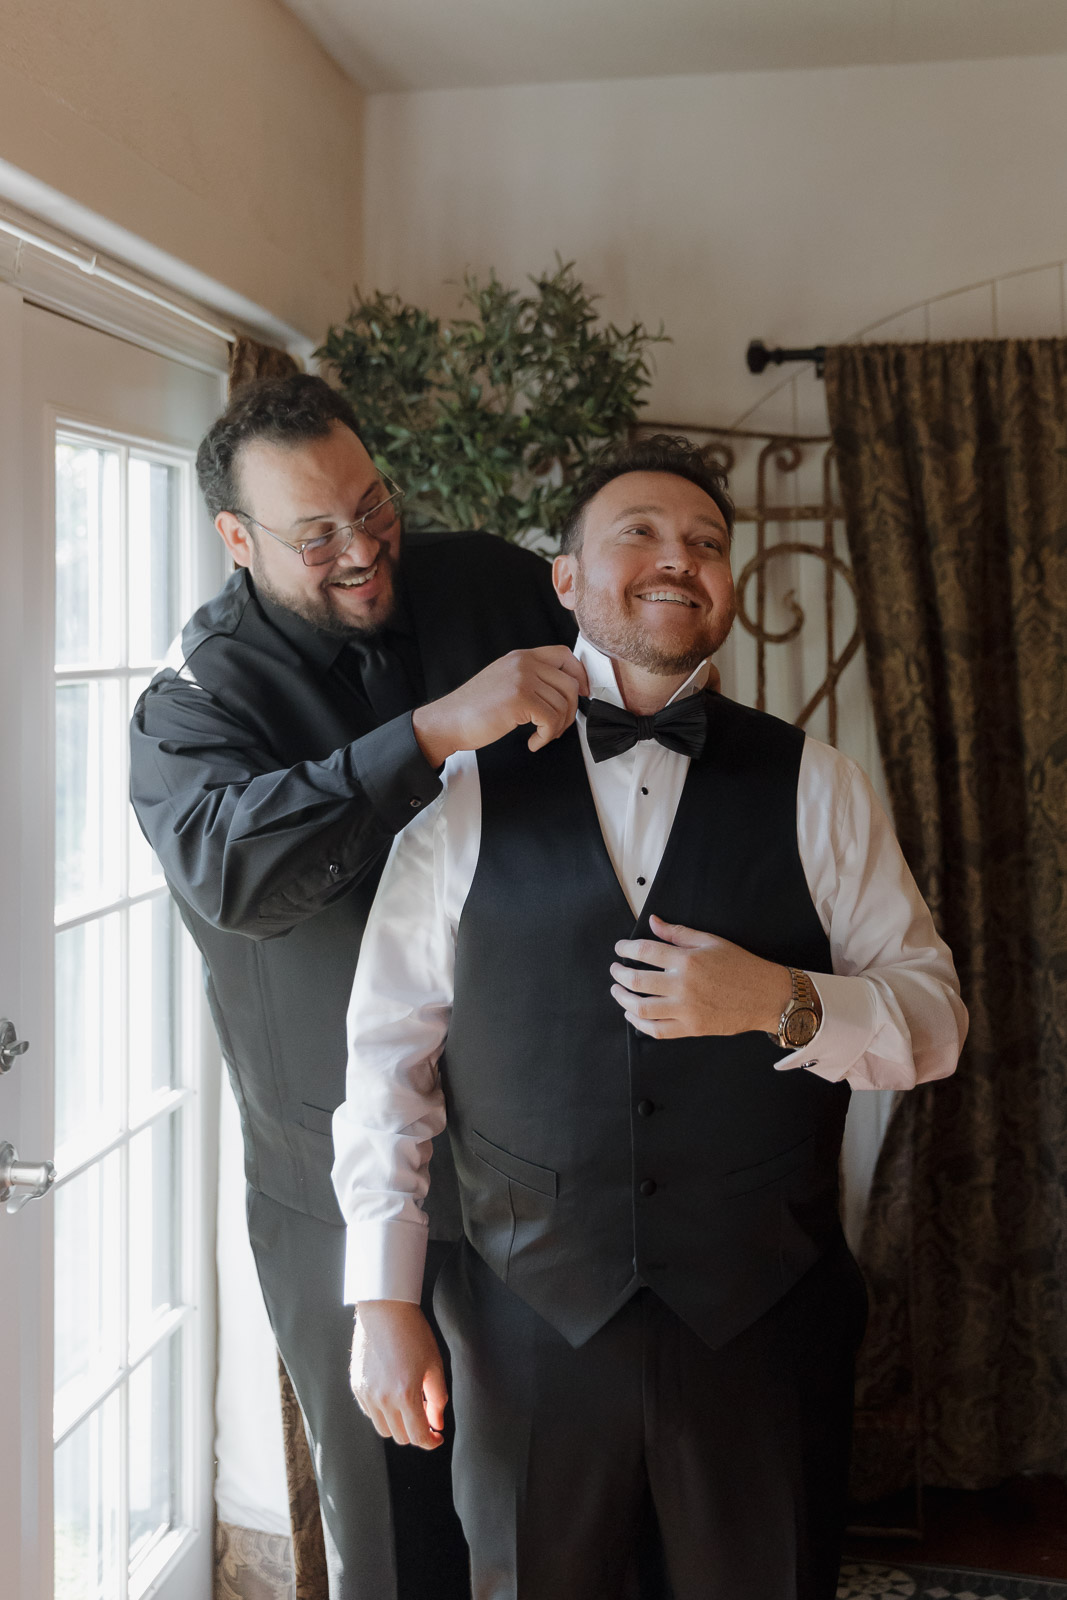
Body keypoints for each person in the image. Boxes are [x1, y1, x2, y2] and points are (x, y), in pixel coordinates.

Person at [332, 434, 969, 1600]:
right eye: (639, 532)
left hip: (762, 1322)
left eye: (705, 542)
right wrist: (382, 1295)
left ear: (726, 585)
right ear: (566, 577)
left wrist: (777, 1001)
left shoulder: (816, 784)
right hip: (525, 1325)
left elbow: (932, 1024)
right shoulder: (464, 788)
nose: (678, 557)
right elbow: (386, 1060)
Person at [128, 372, 590, 1600]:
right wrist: (430, 733)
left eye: (371, 505)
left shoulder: (488, 581)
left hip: (550, 1155)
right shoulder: (193, 696)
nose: (362, 547)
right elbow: (230, 868)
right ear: (236, 540)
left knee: (573, 1509)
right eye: (317, 532)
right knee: (397, 1538)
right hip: (334, 1187)